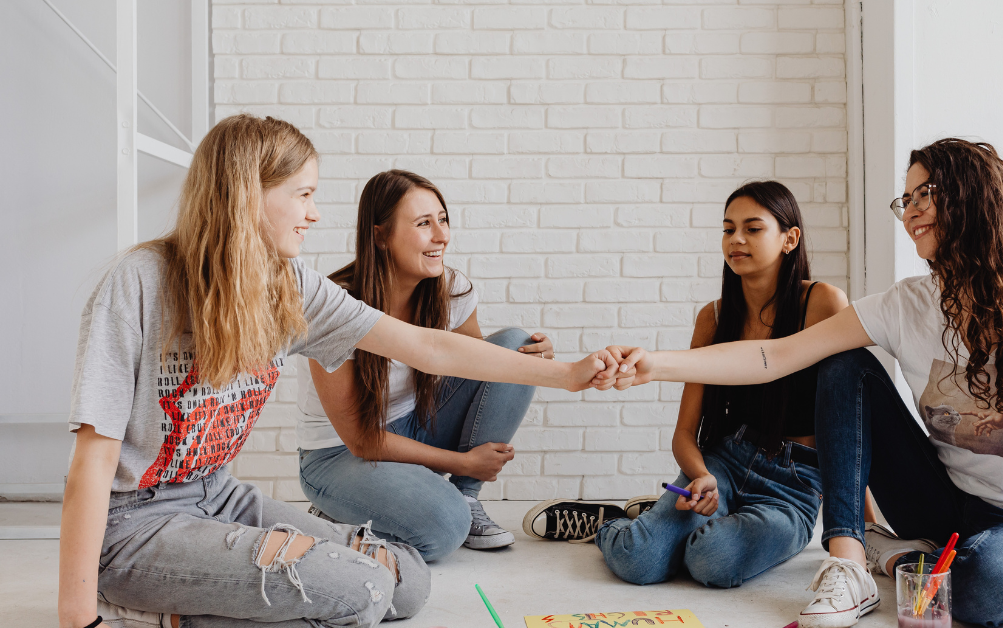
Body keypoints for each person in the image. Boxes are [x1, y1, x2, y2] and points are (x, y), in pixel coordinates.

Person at [604, 139, 1003, 627]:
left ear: (974, 199)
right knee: (843, 366)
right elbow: (774, 357)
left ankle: (921, 557)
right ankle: (851, 562)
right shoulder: (907, 304)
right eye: (906, 196)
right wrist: (655, 362)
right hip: (938, 500)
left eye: (927, 193)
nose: (910, 208)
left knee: (980, 588)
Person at [59, 114, 617, 628]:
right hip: (133, 524)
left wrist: (568, 374)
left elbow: (430, 348)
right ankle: (151, 610)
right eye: (303, 194)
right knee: (361, 590)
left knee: (407, 583)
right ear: (246, 197)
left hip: (218, 495)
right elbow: (94, 457)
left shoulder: (289, 285)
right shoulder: (140, 282)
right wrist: (77, 620)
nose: (315, 213)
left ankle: (189, 600)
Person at [521, 182, 875, 589]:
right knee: (638, 560)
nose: (736, 239)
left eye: (753, 228)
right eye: (728, 229)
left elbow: (851, 427)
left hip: (792, 490)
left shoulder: (823, 302)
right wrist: (700, 475)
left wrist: (864, 530)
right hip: (724, 463)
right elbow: (685, 433)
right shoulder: (714, 317)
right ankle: (614, 523)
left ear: (790, 239)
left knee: (712, 560)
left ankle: (656, 519)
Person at [296, 170, 556, 560]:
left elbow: (482, 370)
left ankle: (466, 499)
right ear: (380, 235)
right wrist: (462, 461)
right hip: (340, 454)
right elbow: (362, 439)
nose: (441, 235)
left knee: (514, 348)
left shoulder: (449, 289)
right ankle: (340, 508)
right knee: (443, 529)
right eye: (423, 223)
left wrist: (534, 361)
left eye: (443, 219)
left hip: (416, 424)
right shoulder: (334, 307)